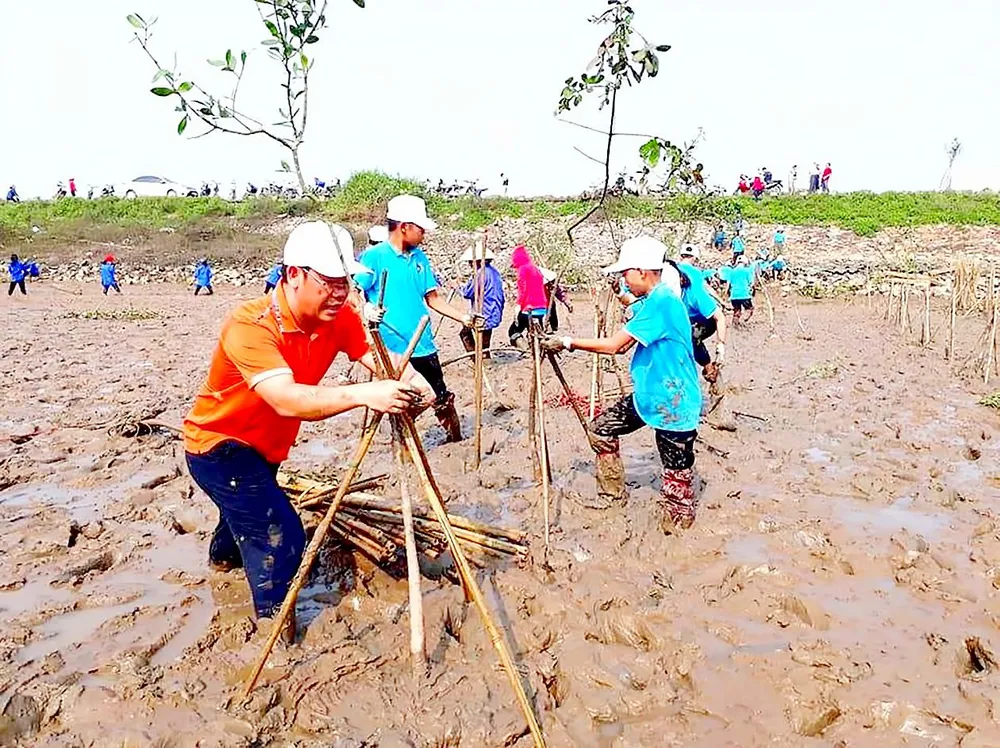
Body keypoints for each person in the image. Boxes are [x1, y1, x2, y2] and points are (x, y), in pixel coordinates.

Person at [183, 221, 431, 638]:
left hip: (268, 448)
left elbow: (378, 357)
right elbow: (286, 398)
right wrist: (364, 394)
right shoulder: (251, 324)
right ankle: (275, 631)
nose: (341, 293)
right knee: (280, 535)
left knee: (246, 515)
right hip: (218, 445)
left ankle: (222, 566)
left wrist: (415, 381)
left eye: (346, 283)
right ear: (293, 274)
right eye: (331, 283)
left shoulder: (339, 317)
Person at [541, 237, 702, 531]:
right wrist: (620, 296)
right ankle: (613, 496)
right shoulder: (656, 299)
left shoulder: (663, 302)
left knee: (676, 474)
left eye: (626, 273)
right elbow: (630, 334)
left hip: (673, 402)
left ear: (642, 271)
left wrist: (566, 342)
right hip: (649, 396)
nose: (623, 279)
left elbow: (616, 345)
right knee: (600, 429)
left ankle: (679, 529)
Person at [356, 195, 480, 443]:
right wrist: (366, 308)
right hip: (393, 348)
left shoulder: (420, 258)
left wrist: (464, 318)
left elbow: (433, 300)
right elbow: (354, 293)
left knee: (441, 397)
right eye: (420, 228)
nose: (424, 234)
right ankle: (401, 437)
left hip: (423, 343)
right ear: (404, 227)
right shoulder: (374, 257)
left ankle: (455, 438)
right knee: (405, 397)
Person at [677, 244, 728, 381]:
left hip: (702, 321)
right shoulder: (672, 291)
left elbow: (719, 318)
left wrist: (720, 346)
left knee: (692, 338)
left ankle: (709, 368)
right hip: (684, 318)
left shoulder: (695, 296)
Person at [459, 240, 505, 356]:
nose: (469, 264)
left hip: (484, 311)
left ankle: (476, 358)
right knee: (485, 340)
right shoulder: (494, 272)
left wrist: (458, 287)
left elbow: (468, 293)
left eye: (471, 261)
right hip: (494, 310)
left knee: (465, 333)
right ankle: (484, 357)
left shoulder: (480, 273)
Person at [507, 245, 549, 345]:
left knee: (513, 332)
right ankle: (538, 351)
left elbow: (523, 290)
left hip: (529, 308)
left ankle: (525, 350)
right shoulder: (536, 269)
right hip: (542, 308)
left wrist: (518, 306)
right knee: (537, 332)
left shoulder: (523, 270)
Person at [719, 255, 757, 325]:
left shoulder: (732, 272)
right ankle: (743, 321)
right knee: (749, 309)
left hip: (734, 295)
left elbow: (728, 285)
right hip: (744, 294)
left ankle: (735, 325)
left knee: (737, 310)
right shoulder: (747, 271)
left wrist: (725, 295)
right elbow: (751, 283)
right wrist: (753, 290)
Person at [539, 267, 573, 332]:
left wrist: (567, 302)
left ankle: (553, 329)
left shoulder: (550, 282)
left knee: (553, 323)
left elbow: (559, 292)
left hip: (549, 304)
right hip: (537, 306)